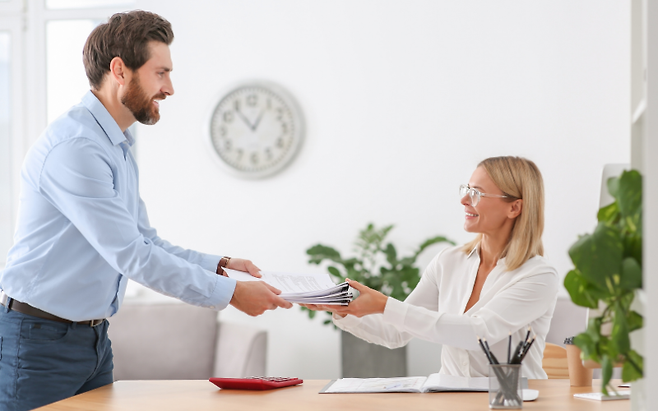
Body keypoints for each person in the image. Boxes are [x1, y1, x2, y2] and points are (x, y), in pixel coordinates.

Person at [0, 10, 291, 411]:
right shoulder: (76, 148)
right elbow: (133, 256)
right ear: (120, 70)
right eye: (160, 73)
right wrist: (232, 293)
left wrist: (219, 266)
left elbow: (145, 241)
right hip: (38, 343)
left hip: (93, 341)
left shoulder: (115, 145)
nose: (169, 88)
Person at [303, 156, 559, 379]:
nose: (464, 200)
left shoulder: (538, 275)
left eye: (477, 193)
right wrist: (340, 307)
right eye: (466, 189)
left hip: (514, 402)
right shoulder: (448, 261)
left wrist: (385, 304)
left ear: (514, 207)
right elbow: (395, 332)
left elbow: (478, 333)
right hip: (451, 398)